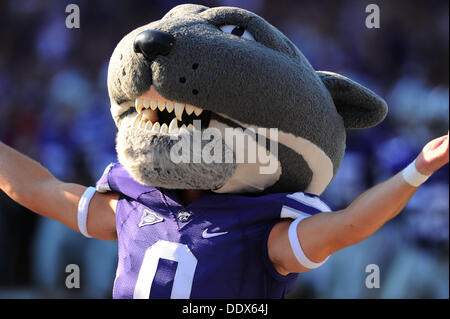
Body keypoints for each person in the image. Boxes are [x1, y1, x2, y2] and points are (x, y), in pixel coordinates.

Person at [0, 133, 448, 294]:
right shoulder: (132, 209)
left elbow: (350, 225)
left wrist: (418, 168)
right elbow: (39, 188)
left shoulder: (260, 229)